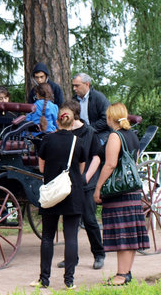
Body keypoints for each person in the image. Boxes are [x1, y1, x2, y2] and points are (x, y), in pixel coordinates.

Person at [93, 102, 150, 286]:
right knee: (130, 235)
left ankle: (121, 275)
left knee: (123, 234)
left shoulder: (115, 136)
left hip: (119, 192)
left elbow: (110, 165)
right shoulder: (133, 136)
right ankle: (126, 273)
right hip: (132, 191)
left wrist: (98, 187)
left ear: (111, 118)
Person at [30, 106, 85, 290]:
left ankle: (44, 279)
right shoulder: (79, 141)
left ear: (57, 122)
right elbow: (82, 169)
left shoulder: (48, 140)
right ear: (73, 122)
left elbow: (41, 167)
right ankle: (69, 281)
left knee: (47, 237)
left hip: (52, 193)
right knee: (71, 238)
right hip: (73, 193)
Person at [56, 100, 105, 270]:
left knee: (89, 219)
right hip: (67, 183)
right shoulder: (62, 130)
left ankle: (99, 254)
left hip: (85, 183)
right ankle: (71, 258)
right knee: (70, 221)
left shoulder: (89, 132)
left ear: (73, 113)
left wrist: (86, 178)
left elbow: (97, 157)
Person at [72, 73, 111, 144]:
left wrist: (88, 129)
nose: (74, 88)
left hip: (99, 133)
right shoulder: (74, 100)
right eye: (73, 86)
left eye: (77, 86)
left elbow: (106, 119)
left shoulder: (99, 98)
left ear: (87, 84)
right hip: (79, 134)